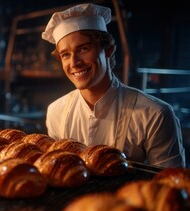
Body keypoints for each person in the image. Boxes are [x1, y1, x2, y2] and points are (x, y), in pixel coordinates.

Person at [41, 3, 186, 168]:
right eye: (65, 55)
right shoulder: (56, 112)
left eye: (83, 49)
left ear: (108, 50)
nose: (74, 62)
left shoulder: (155, 115)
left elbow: (168, 184)